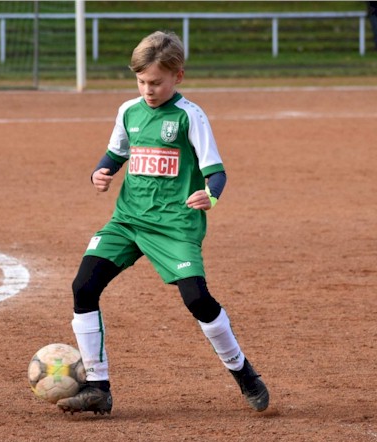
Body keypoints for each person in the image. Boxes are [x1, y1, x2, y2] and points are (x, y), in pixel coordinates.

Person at [55, 31, 270, 416]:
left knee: (197, 300)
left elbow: (216, 172)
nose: (147, 90)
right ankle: (98, 387)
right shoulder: (129, 111)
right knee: (83, 287)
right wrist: (99, 173)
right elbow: (114, 154)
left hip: (174, 225)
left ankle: (243, 372)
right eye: (141, 81)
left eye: (155, 82)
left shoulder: (190, 116)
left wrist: (211, 195)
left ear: (178, 77)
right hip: (127, 221)